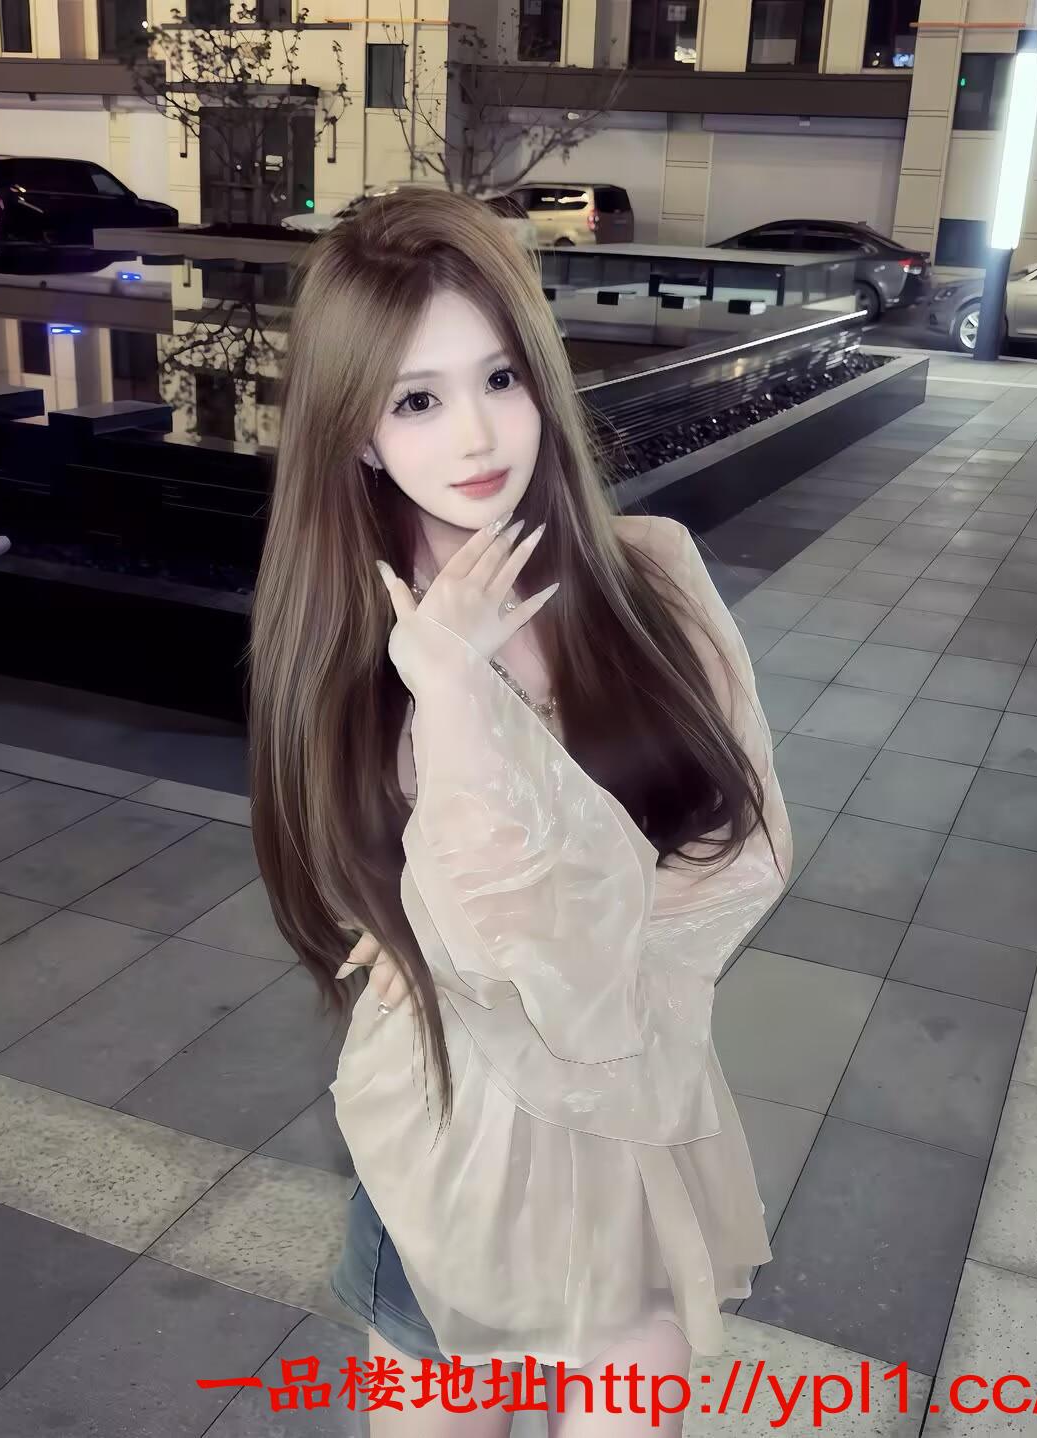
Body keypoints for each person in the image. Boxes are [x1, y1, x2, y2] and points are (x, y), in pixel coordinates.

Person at [248, 188, 792, 1436]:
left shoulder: (650, 576)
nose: (479, 433)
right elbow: (433, 931)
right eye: (416, 400)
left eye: (500, 376)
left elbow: (740, 857)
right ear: (358, 434)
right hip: (456, 1144)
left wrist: (496, 935)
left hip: (631, 1131)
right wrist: (448, 693)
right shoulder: (352, 652)